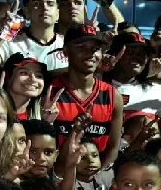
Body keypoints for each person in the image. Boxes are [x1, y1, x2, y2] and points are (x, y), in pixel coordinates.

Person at [52, 24, 123, 167]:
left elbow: (113, 147)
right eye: (81, 48)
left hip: (95, 176)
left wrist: (97, 176)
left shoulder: (112, 95)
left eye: (95, 49)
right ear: (65, 51)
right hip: (57, 174)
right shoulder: (50, 91)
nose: (90, 54)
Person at [0, 0, 67, 73]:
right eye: (37, 4)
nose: (44, 8)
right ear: (26, 12)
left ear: (57, 14)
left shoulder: (68, 44)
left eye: (50, 4)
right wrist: (3, 34)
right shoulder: (11, 42)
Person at [3, 53, 46, 121]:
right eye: (24, 73)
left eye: (38, 75)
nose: (33, 79)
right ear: (7, 78)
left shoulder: (36, 118)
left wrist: (46, 122)